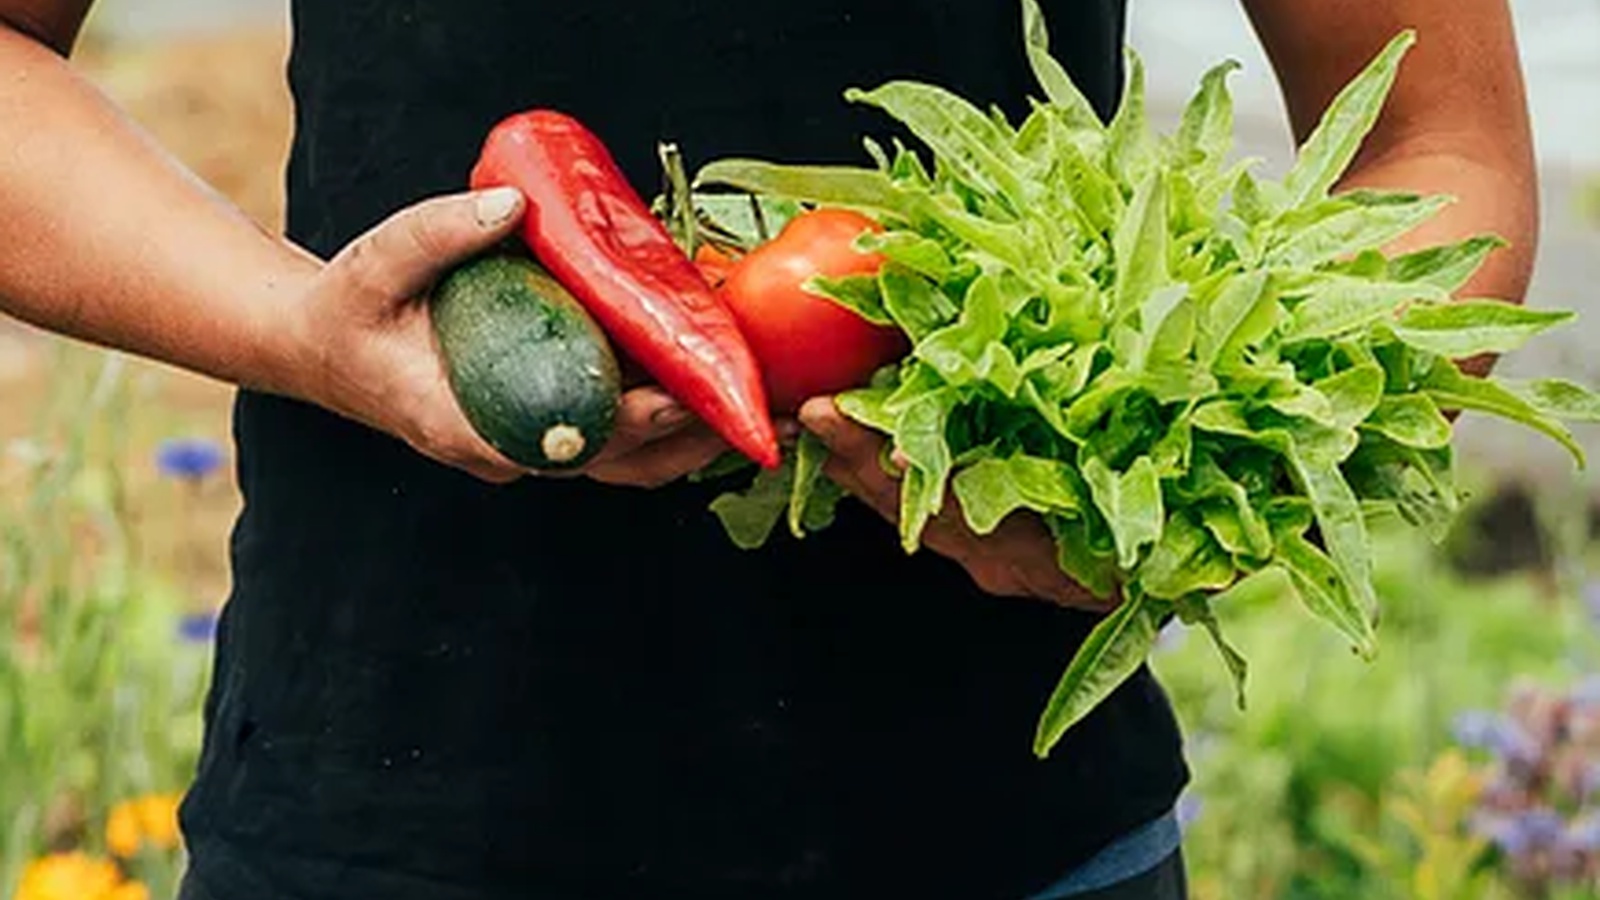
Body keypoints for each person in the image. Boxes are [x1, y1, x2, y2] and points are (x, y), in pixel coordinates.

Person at [0, 0, 1536, 897]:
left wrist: (1174, 499)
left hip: (1015, 840)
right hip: (381, 812)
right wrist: (300, 330)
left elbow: (1438, 140)